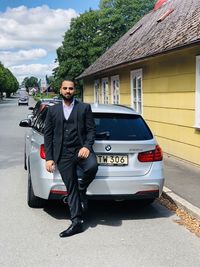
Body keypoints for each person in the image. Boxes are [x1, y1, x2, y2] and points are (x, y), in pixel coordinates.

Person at [44, 79, 98, 237]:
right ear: (60, 90)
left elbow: (91, 130)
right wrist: (49, 157)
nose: (68, 91)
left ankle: (82, 190)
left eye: (71, 88)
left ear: (75, 90)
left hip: (80, 150)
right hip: (63, 154)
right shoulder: (52, 110)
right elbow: (48, 135)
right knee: (71, 187)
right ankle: (76, 221)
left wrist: (87, 146)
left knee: (93, 167)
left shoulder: (84, 108)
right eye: (65, 88)